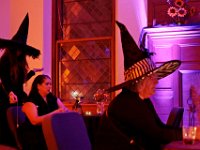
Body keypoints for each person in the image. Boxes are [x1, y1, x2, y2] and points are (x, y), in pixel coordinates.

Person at [94, 21, 182, 150]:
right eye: (153, 78)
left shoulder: (141, 101)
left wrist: (189, 132)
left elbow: (159, 128)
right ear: (141, 81)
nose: (156, 82)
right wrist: (190, 134)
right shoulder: (127, 104)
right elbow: (157, 135)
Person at [0, 13, 42, 146]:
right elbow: (5, 81)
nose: (19, 52)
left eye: (21, 49)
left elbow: (20, 82)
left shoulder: (19, 63)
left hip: (18, 95)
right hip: (6, 96)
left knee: (21, 122)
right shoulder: (5, 61)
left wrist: (31, 73)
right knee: (7, 124)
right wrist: (9, 93)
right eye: (17, 49)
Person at [19, 74, 69, 150]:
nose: (50, 86)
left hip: (50, 130)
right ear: (38, 86)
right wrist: (54, 113)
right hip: (34, 133)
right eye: (47, 84)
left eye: (50, 84)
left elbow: (65, 111)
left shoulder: (52, 98)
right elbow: (34, 121)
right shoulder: (30, 101)